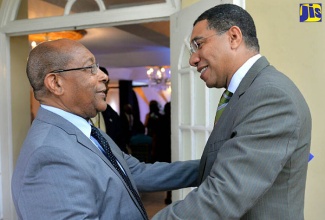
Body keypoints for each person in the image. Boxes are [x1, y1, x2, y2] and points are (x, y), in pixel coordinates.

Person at [153, 4, 311, 220]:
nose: (192, 59)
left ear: (234, 37)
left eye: (198, 45)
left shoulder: (270, 96)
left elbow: (223, 196)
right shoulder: (246, 93)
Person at [11, 39, 199, 220]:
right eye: (90, 68)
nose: (104, 76)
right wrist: (197, 210)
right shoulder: (48, 155)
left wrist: (213, 166)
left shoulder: (90, 131)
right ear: (56, 83)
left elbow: (136, 172)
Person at [90, 66, 128, 153]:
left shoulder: (111, 113)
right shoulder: (76, 112)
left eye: (107, 83)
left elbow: (120, 145)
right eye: (102, 82)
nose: (106, 88)